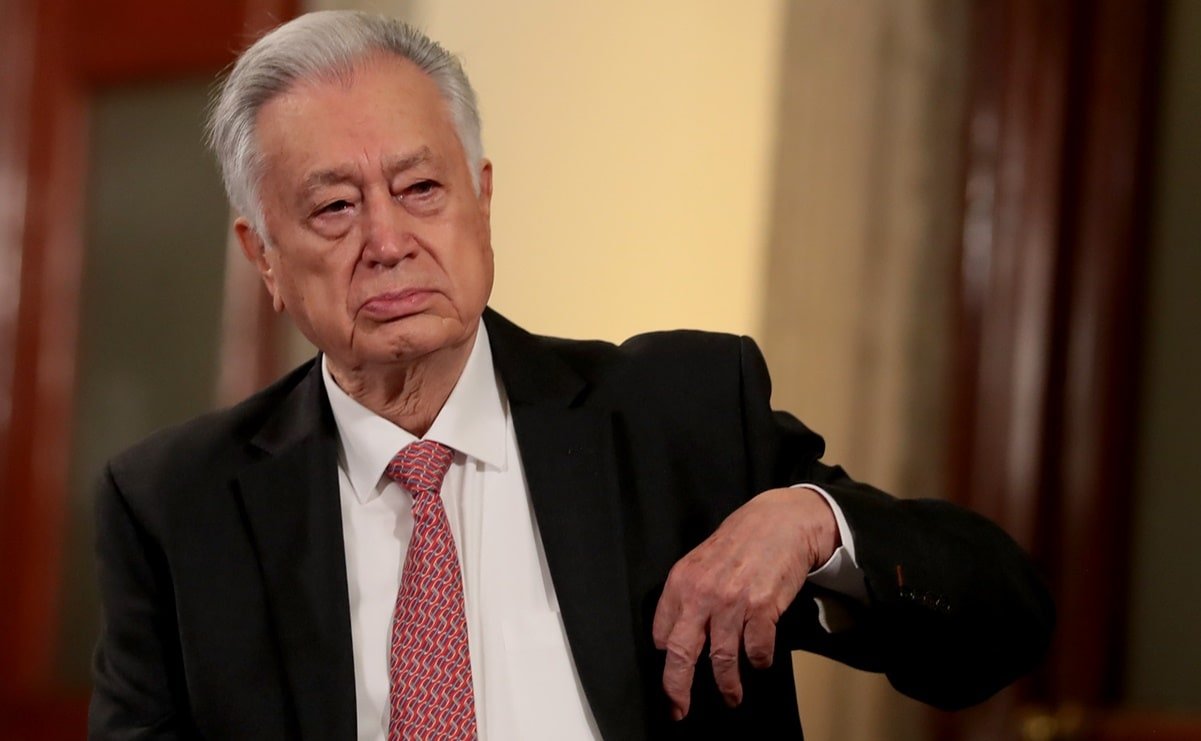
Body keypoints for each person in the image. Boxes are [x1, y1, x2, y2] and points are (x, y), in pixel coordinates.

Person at [88, 10, 1053, 740]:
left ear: (483, 200)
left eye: (421, 188)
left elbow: (1001, 623)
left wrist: (814, 522)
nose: (388, 240)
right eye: (334, 207)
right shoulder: (176, 504)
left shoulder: (678, 418)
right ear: (261, 255)